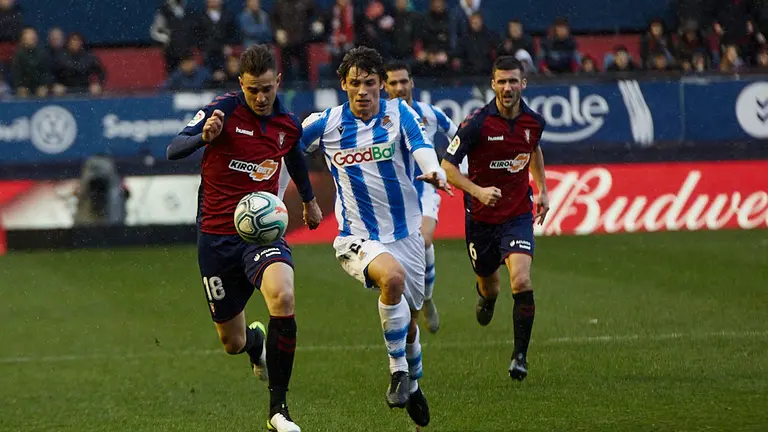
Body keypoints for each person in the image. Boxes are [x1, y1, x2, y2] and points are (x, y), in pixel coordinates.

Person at [166, 45, 322, 432]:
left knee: (283, 296)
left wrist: (309, 200)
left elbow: (295, 155)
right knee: (231, 342)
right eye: (252, 90)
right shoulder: (222, 110)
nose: (260, 97)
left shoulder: (287, 123)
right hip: (216, 237)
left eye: (266, 88)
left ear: (278, 82)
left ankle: (278, 411)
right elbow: (173, 149)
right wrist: (204, 136)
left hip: (261, 233)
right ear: (241, 84)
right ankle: (256, 344)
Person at [299, 46, 451, 427]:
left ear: (381, 84)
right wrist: (293, 199)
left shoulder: (401, 113)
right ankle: (398, 370)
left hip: (405, 234)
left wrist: (433, 171)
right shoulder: (325, 123)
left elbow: (421, 148)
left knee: (409, 322)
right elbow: (287, 150)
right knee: (392, 278)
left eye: (370, 83)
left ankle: (413, 386)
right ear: (343, 85)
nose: (363, 91)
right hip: (356, 236)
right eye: (355, 84)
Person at [440, 56, 549, 381]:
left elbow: (534, 149)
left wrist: (542, 189)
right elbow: (448, 167)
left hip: (517, 215)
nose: (508, 87)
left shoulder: (533, 121)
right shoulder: (476, 124)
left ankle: (519, 356)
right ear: (493, 84)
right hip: (481, 219)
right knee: (490, 286)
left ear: (523, 84)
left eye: (513, 81)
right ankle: (486, 298)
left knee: (522, 280)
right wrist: (477, 190)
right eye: (502, 81)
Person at [383, 61, 458, 334]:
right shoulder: (378, 119)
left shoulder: (430, 113)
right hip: (392, 194)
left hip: (424, 189)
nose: (400, 87)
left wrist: (455, 167)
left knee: (423, 239)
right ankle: (411, 299)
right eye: (393, 83)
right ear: (384, 86)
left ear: (412, 83)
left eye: (404, 81)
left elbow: (459, 136)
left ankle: (426, 299)